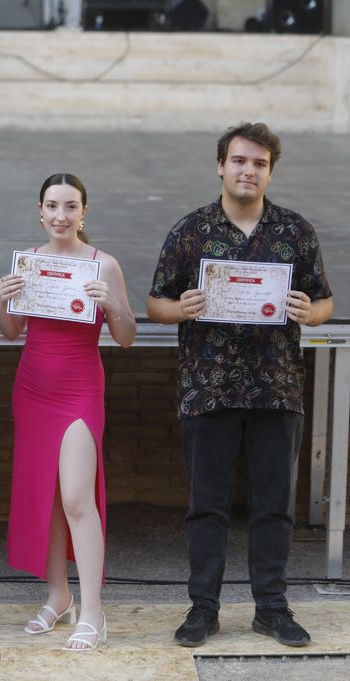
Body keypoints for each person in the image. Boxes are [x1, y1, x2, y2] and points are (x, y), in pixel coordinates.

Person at [147, 122, 333, 648]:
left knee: (274, 504)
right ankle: (203, 609)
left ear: (270, 170)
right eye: (239, 161)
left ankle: (271, 608)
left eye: (259, 163)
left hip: (277, 387)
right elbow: (155, 302)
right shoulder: (191, 230)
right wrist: (178, 307)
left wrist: (310, 312)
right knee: (207, 504)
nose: (248, 170)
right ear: (221, 166)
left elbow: (324, 301)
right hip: (208, 387)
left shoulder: (295, 231)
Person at [0, 174, 135, 651]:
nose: (60, 215)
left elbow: (127, 336)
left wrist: (113, 303)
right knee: (47, 498)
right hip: (32, 387)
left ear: (84, 212)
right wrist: (4, 296)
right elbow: (11, 330)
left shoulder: (104, 265)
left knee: (77, 497)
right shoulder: (28, 263)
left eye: (70, 206)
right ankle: (58, 596)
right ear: (40, 211)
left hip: (79, 390)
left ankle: (94, 611)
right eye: (52, 206)